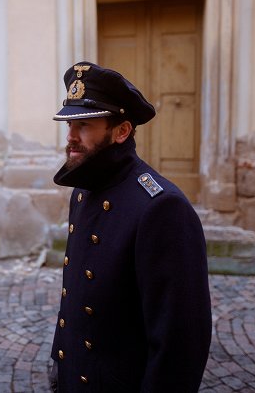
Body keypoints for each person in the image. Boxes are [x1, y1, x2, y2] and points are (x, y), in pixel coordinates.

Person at [48, 61, 212, 392]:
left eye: (84, 125)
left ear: (122, 131)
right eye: (69, 124)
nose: (71, 137)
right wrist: (60, 364)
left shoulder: (161, 207)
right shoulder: (83, 190)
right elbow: (76, 300)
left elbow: (180, 343)